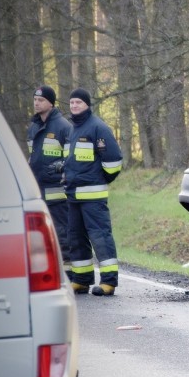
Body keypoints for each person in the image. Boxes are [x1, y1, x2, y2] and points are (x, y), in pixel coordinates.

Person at [63, 88, 123, 296]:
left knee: (100, 237)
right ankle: (81, 280)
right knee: (75, 238)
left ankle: (108, 282)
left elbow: (114, 162)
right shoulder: (72, 130)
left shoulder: (98, 128)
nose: (74, 106)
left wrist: (99, 179)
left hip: (93, 197)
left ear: (87, 104)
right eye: (71, 103)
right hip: (73, 196)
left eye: (78, 102)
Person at [26, 85, 72, 276]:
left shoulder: (63, 127)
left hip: (57, 191)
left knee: (62, 232)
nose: (37, 103)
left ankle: (69, 271)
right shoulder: (33, 127)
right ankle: (49, 271)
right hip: (38, 190)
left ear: (51, 103)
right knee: (40, 234)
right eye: (35, 99)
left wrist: (60, 168)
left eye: (41, 100)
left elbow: (71, 158)